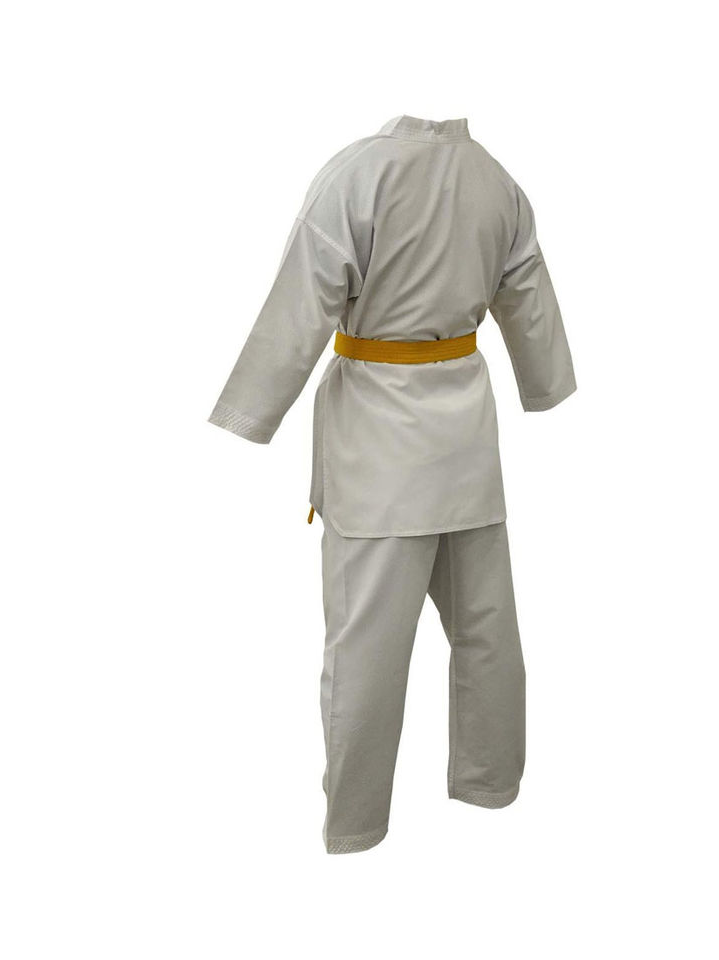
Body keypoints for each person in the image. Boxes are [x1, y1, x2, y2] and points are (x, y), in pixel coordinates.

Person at [208, 114, 576, 853]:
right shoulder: (495, 179)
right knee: (486, 626)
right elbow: (528, 296)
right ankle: (489, 783)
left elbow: (302, 301)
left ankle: (355, 824)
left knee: (366, 648)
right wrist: (545, 383)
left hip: (379, 446)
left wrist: (250, 413)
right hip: (466, 437)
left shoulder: (357, 175)